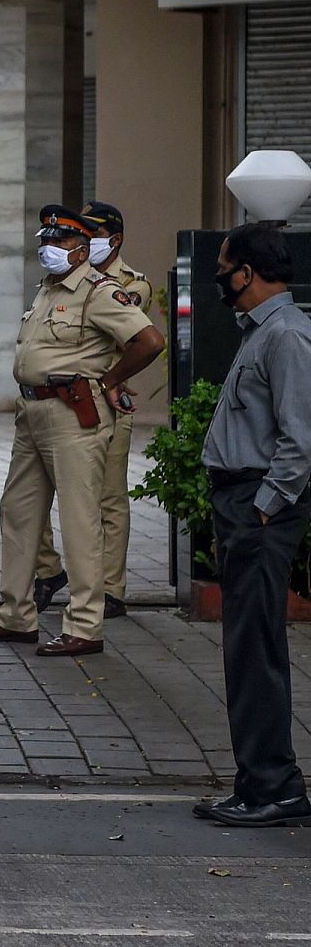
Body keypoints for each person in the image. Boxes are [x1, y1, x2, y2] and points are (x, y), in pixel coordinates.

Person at [0, 205, 163, 657]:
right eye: (45, 241)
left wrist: (109, 381)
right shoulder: (48, 291)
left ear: (80, 248)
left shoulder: (98, 292)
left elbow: (149, 341)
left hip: (74, 414)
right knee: (18, 512)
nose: (48, 249)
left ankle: (85, 626)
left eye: (59, 242)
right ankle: (16, 615)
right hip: (31, 412)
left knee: (79, 520)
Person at [196, 223, 311, 828]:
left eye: (224, 266)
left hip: (259, 509)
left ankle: (276, 787)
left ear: (248, 271)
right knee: (246, 648)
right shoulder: (263, 332)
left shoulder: (286, 335)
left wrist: (265, 506)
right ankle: (259, 783)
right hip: (245, 506)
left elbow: (301, 438)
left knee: (257, 647)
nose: (220, 277)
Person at [31, 201, 153, 621]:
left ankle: (110, 589)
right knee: (32, 500)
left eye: (95, 234)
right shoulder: (59, 279)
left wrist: (108, 380)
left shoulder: (127, 286)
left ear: (111, 241)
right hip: (60, 402)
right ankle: (49, 571)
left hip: (103, 401)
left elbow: (125, 341)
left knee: (107, 499)